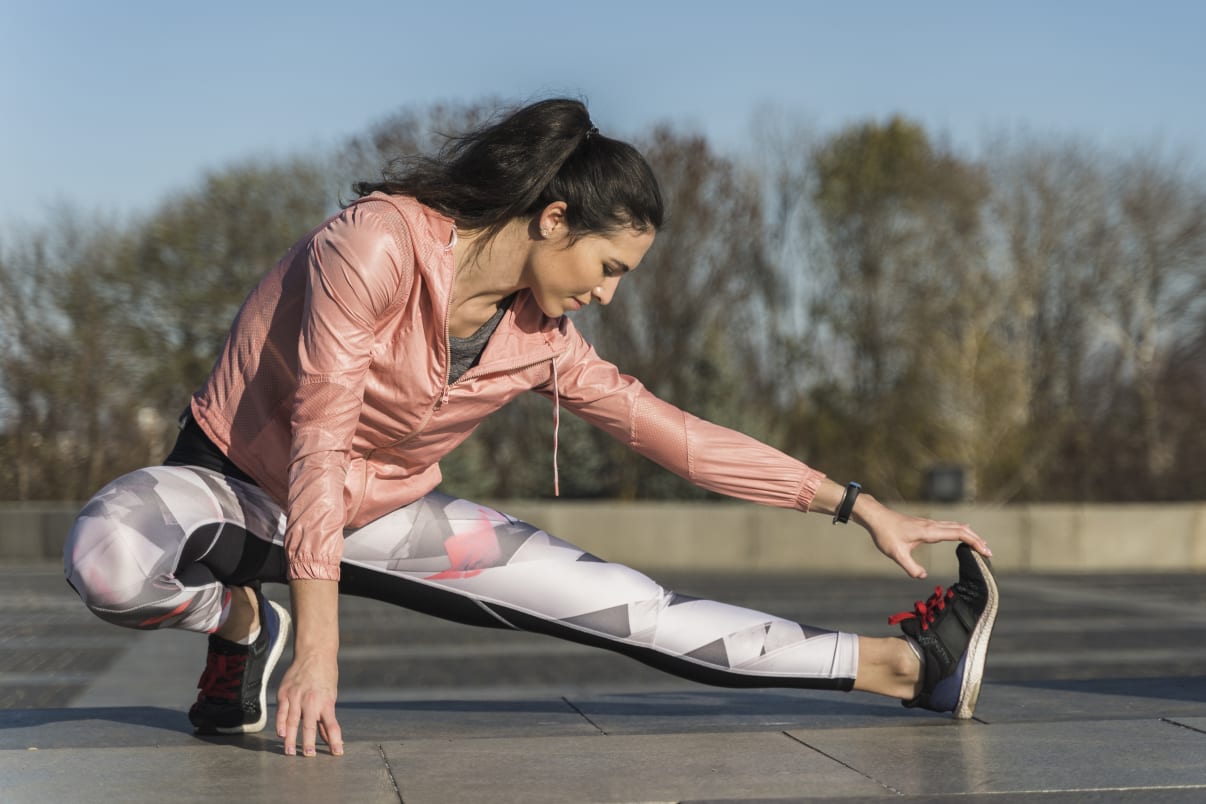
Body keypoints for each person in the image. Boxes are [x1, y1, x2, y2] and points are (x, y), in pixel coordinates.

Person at [63, 98, 998, 758]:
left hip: (384, 511)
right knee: (109, 551)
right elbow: (317, 438)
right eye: (609, 264)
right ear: (554, 217)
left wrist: (855, 503)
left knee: (645, 615)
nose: (606, 291)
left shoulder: (542, 339)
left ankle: (914, 669)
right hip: (236, 480)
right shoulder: (376, 243)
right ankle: (241, 622)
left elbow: (676, 435)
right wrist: (316, 648)